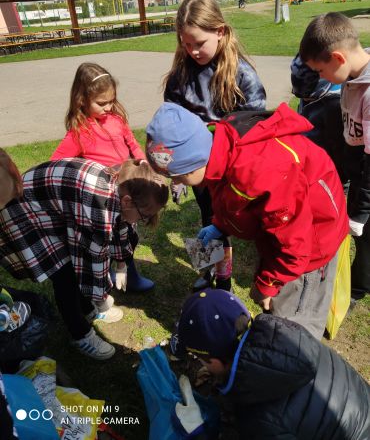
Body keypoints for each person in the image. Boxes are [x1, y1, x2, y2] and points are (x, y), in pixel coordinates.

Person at [146, 102, 348, 340]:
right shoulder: (217, 147)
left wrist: (268, 284)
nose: (178, 182)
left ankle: (293, 361)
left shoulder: (261, 172)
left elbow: (294, 246)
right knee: (276, 307)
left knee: (294, 321)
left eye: (177, 176)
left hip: (311, 246)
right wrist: (220, 223)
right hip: (283, 233)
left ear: (192, 164)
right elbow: (231, 198)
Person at [0, 158, 168, 360]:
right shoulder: (98, 206)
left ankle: (87, 308)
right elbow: (92, 259)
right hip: (24, 211)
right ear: (127, 202)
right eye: (144, 216)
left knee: (73, 266)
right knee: (65, 275)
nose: (144, 220)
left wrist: (122, 264)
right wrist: (101, 293)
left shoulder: (123, 191)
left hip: (51, 207)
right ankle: (80, 334)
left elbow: (123, 228)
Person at [163, 0, 266, 292]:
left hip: (230, 170)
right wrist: (177, 173)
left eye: (199, 43)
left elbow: (255, 128)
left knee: (224, 222)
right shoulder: (179, 77)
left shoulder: (242, 75)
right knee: (207, 217)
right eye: (186, 43)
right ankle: (208, 271)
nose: (192, 50)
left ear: (219, 32)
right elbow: (173, 126)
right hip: (197, 171)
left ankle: (224, 282)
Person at [171, 289, 370, 440]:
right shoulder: (286, 334)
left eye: (199, 358)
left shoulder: (258, 418)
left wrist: (200, 433)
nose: (199, 363)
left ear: (214, 361)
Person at [51, 62, 154, 292]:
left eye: (112, 101)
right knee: (105, 241)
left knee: (128, 236)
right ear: (81, 100)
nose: (108, 107)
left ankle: (130, 274)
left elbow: (131, 142)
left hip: (127, 190)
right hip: (103, 199)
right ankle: (104, 281)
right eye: (102, 103)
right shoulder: (79, 132)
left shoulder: (117, 120)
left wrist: (141, 159)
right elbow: (56, 163)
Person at [299, 12, 370, 304]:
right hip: (359, 173)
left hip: (369, 180)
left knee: (366, 240)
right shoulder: (350, 79)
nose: (320, 78)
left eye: (320, 71)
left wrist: (363, 210)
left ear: (338, 58)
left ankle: (357, 290)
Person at [290, 54, 347, 183]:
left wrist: (338, 179)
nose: (304, 100)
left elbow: (339, 151)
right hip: (308, 164)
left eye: (308, 97)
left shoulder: (334, 107)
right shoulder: (309, 95)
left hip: (327, 173)